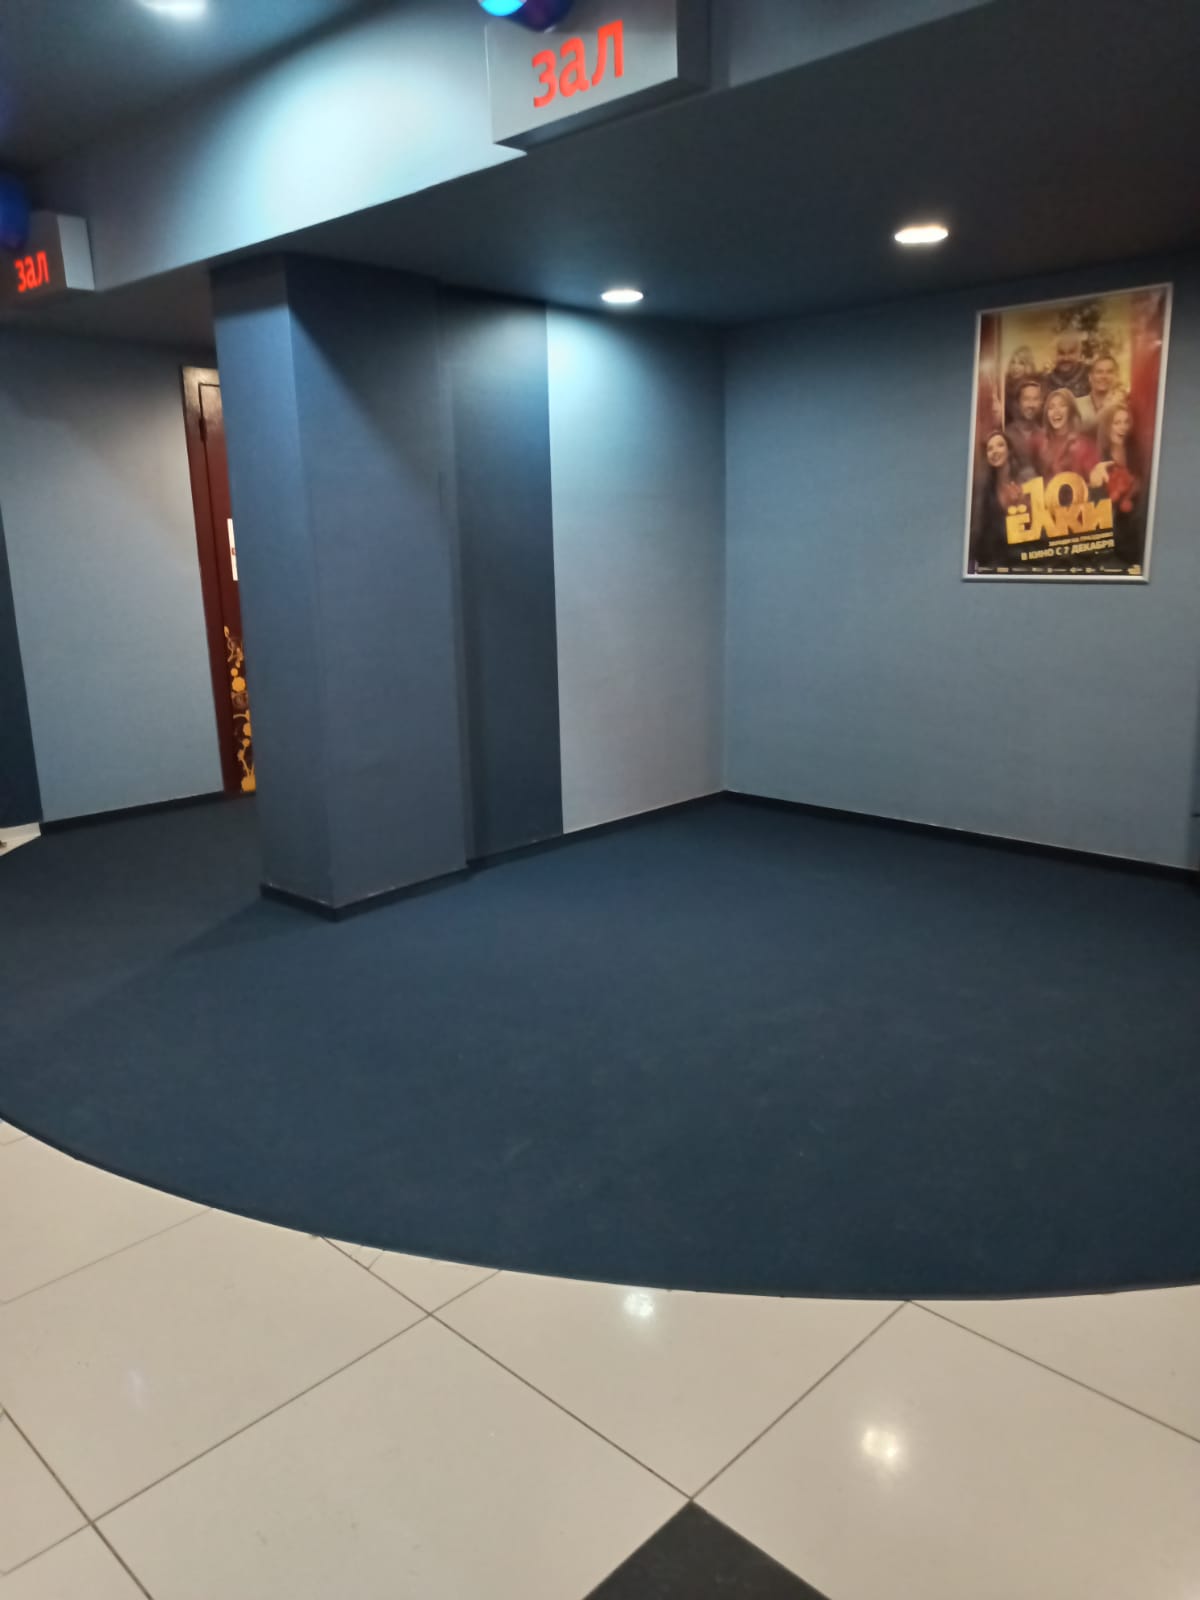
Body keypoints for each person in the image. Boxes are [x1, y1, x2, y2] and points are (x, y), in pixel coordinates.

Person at [1090, 401, 1145, 566]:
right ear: (1107, 427)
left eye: (1126, 422)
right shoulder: (1099, 456)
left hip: (1133, 518)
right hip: (1109, 521)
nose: (1122, 427)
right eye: (1117, 423)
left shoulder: (1134, 450)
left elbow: (1141, 481)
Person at [970, 430, 1026, 569]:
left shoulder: (1025, 479)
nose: (995, 451)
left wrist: (1020, 504)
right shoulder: (984, 489)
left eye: (1000, 445)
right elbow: (980, 531)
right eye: (990, 449)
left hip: (1022, 559)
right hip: (995, 560)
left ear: (1009, 450)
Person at [1038, 388, 1098, 477]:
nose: (1056, 411)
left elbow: (1095, 480)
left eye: (1062, 405)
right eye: (1051, 407)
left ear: (1071, 410)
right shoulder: (1040, 442)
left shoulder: (1085, 446)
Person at [1006, 380, 1045, 478]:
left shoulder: (1045, 436)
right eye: (1026, 399)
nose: (1031, 405)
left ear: (1041, 403)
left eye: (1035, 399)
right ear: (1018, 402)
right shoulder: (1007, 435)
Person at [1077, 353, 1126, 429]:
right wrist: (1107, 409)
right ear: (1090, 377)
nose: (1104, 376)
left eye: (1109, 372)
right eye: (1099, 372)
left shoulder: (1124, 406)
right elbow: (1079, 431)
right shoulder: (1077, 405)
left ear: (1117, 376)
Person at [1042, 333, 1090, 399]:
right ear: (1055, 354)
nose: (1066, 358)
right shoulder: (1047, 381)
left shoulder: (1090, 376)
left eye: (1071, 352)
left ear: (1079, 353)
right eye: (1061, 353)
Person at [1004, 346, 1040, 422]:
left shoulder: (1033, 388)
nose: (1015, 367)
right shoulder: (1005, 386)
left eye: (1021, 363)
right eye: (1013, 362)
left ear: (1028, 366)